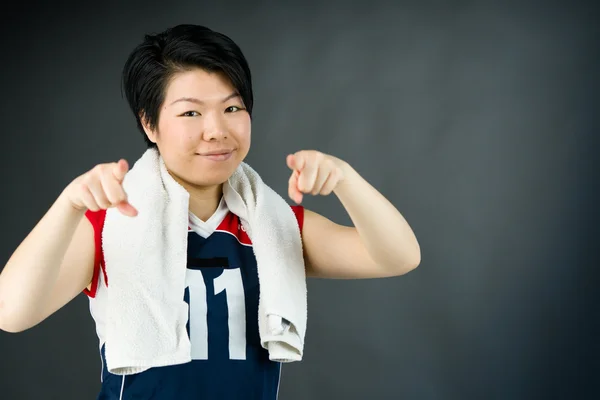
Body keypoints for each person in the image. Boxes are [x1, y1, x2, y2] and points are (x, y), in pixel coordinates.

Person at [0, 24, 420, 399]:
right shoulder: (110, 226)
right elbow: (11, 313)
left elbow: (399, 256)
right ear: (149, 124)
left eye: (232, 108)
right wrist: (69, 204)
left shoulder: (273, 226)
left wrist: (345, 179)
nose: (217, 129)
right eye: (190, 112)